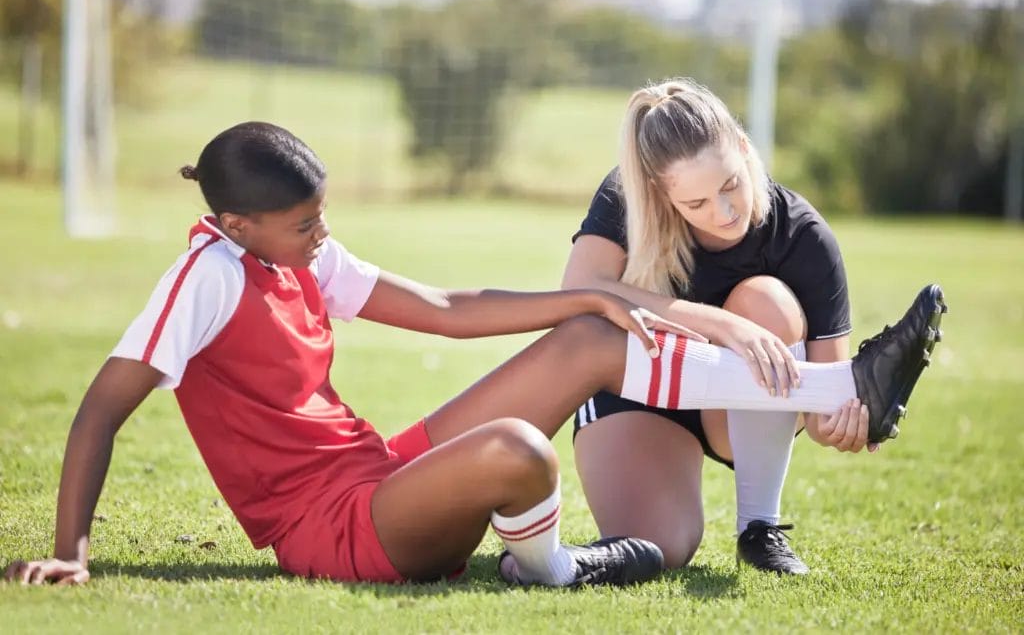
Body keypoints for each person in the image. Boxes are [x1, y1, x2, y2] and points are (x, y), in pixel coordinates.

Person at [3, 122, 942, 588]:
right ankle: (552, 567)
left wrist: (590, 295)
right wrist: (70, 554)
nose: (320, 235)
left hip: (373, 473)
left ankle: (841, 384)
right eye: (302, 224)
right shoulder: (205, 278)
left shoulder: (300, 255)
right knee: (518, 452)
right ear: (235, 223)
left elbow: (448, 310)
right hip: (329, 529)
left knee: (583, 340)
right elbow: (99, 408)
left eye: (322, 214)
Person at [561, 77, 946, 574]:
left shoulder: (803, 236)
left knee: (765, 300)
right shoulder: (628, 195)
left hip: (733, 412)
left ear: (743, 149)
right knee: (660, 548)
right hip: (636, 391)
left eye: (730, 186)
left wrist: (849, 417)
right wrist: (721, 325)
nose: (722, 213)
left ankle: (759, 527)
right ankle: (550, 565)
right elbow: (576, 293)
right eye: (696, 205)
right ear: (660, 191)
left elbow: (818, 418)